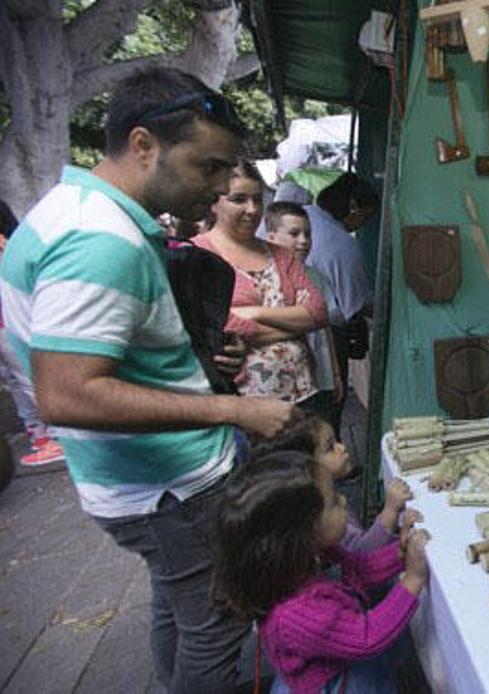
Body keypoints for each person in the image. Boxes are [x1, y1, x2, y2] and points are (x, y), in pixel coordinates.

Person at [0, 67, 296, 693]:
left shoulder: (71, 210)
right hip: (171, 489)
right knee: (218, 628)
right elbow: (68, 392)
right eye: (208, 167)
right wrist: (234, 413)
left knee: (179, 609)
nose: (218, 188)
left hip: (140, 484)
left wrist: (191, 370)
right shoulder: (98, 239)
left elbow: (106, 358)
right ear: (143, 145)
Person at [211, 451, 429, 694]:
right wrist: (412, 580)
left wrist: (401, 552)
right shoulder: (296, 614)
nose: (345, 500)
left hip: (345, 659)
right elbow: (367, 637)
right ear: (301, 533)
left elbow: (359, 569)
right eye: (334, 501)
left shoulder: (311, 556)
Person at [193, 161, 328, 406]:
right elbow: (221, 328)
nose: (253, 209)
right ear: (213, 202)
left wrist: (252, 313)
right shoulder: (196, 256)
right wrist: (297, 324)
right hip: (239, 405)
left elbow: (318, 312)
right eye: (239, 199)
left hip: (302, 395)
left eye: (257, 199)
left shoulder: (280, 255)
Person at [251, 412, 421, 553]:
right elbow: (361, 554)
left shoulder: (328, 493)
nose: (342, 447)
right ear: (305, 464)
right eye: (329, 447)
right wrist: (390, 511)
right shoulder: (322, 513)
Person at [305, 172, 379, 433]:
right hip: (324, 334)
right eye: (365, 217)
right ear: (353, 207)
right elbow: (356, 305)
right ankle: (329, 466)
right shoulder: (341, 244)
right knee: (328, 403)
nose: (362, 224)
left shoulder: (304, 214)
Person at [264, 202, 343, 425]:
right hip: (286, 382)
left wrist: (336, 374)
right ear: (271, 238)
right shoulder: (267, 280)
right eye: (294, 234)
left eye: (307, 234)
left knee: (324, 433)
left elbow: (326, 328)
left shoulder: (316, 277)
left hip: (322, 377)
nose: (303, 241)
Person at [0, 200, 65, 466]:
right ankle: (41, 437)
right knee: (15, 380)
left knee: (26, 375)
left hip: (8, 317)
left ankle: (59, 436)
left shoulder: (10, 247)